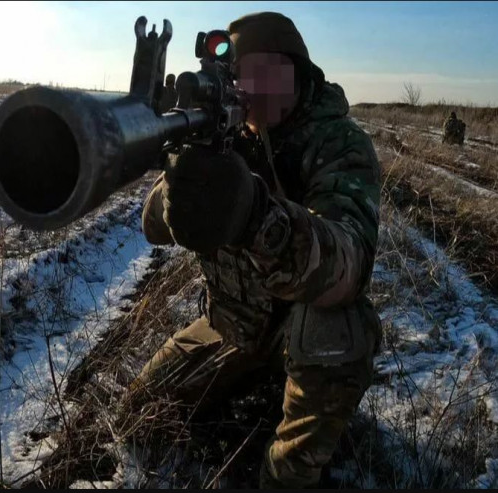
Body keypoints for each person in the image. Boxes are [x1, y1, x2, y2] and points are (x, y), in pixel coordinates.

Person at [127, 11, 383, 489]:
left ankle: (286, 475)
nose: (250, 87)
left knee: (340, 326)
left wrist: (255, 215)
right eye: (241, 75)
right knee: (140, 408)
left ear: (297, 74)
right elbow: (153, 230)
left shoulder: (338, 142)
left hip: (301, 331)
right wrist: (180, 182)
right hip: (235, 325)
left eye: (265, 72)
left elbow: (350, 262)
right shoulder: (227, 137)